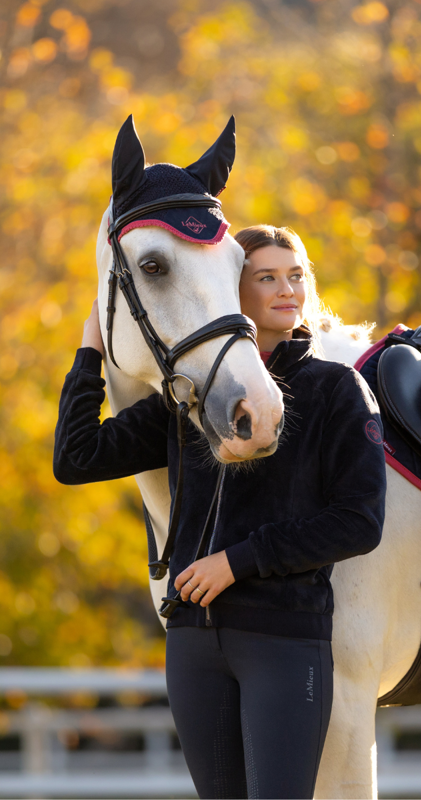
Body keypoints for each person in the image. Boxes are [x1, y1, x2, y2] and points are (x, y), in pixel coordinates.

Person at [53, 224, 387, 799]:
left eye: (296, 275)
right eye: (268, 278)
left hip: (283, 640)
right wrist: (89, 354)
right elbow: (76, 458)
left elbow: (359, 521)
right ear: (233, 289)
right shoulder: (185, 399)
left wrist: (238, 561)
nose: (289, 290)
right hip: (192, 644)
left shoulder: (337, 390)